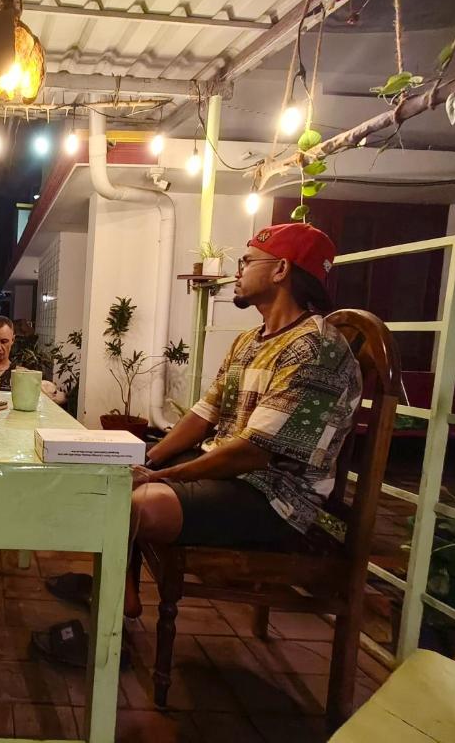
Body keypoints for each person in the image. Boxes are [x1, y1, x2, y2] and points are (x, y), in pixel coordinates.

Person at [37, 223, 362, 662]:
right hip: (232, 477)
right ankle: (118, 592)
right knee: (114, 472)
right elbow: (203, 415)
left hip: (276, 499)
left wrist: (161, 475)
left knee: (132, 503)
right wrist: (144, 457)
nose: (238, 272)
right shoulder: (251, 340)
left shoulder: (316, 349)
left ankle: (110, 628)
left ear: (282, 269)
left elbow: (254, 450)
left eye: (247, 261)